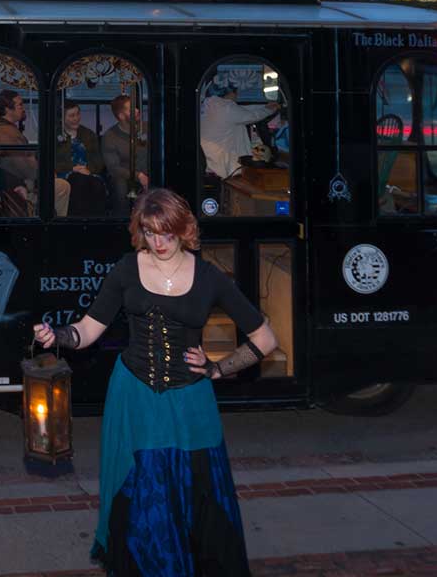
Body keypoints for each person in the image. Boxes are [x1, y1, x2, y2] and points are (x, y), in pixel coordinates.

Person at [32, 188, 274, 575]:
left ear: (184, 229)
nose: (158, 242)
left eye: (166, 232)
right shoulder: (128, 269)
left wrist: (217, 369)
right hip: (136, 395)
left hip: (190, 400)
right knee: (144, 492)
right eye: (149, 232)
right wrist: (56, 336)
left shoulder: (209, 276)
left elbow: (265, 338)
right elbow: (88, 329)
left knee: (199, 493)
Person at [0, 90, 61, 216]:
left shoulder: (2, 130)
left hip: (13, 182)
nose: (23, 109)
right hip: (15, 185)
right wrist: (45, 174)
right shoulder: (6, 133)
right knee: (62, 187)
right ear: (8, 109)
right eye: (20, 105)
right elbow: (25, 167)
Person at [200, 81, 280, 180]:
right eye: (236, 92)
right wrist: (270, 110)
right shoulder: (226, 107)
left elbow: (241, 109)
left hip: (209, 156)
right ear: (230, 93)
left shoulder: (210, 103)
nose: (237, 95)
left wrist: (265, 107)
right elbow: (251, 116)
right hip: (221, 158)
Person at [100, 94, 150, 220]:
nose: (137, 111)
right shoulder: (110, 137)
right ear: (121, 116)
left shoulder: (148, 128)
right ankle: (121, 224)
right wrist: (139, 176)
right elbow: (113, 168)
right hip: (126, 176)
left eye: (136, 107)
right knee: (120, 186)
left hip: (149, 171)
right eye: (132, 109)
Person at [52, 102, 106, 217]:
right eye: (71, 116)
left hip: (88, 172)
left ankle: (97, 224)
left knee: (97, 185)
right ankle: (76, 222)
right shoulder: (54, 135)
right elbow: (50, 161)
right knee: (79, 182)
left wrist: (88, 169)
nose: (76, 118)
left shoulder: (88, 134)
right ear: (62, 118)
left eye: (77, 114)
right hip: (65, 172)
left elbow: (98, 161)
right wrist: (72, 168)